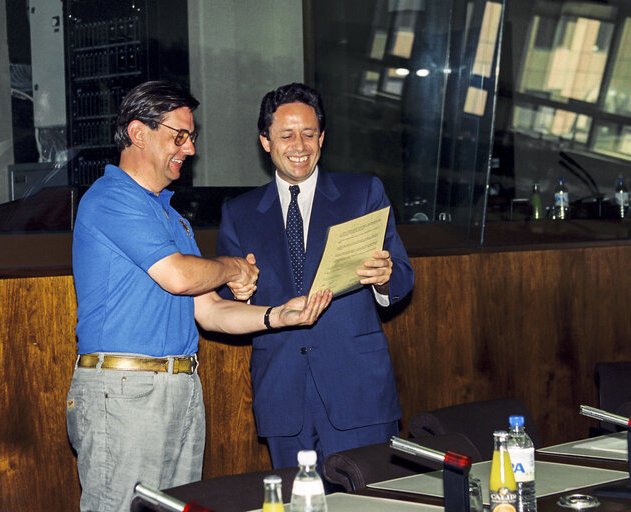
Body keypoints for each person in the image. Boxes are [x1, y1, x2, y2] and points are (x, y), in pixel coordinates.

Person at [66, 80, 331, 512]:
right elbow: (178, 276)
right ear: (138, 133)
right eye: (179, 136)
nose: (189, 150)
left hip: (180, 388)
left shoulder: (171, 218)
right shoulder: (112, 198)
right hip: (126, 390)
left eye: (191, 138)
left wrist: (279, 316)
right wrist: (234, 267)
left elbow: (208, 311)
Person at [217, 82, 414, 473]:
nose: (299, 145)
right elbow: (224, 299)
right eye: (286, 135)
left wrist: (384, 278)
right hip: (282, 395)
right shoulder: (239, 213)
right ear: (265, 141)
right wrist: (239, 290)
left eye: (309, 134)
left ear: (322, 138)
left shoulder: (363, 193)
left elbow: (403, 277)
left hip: (358, 389)